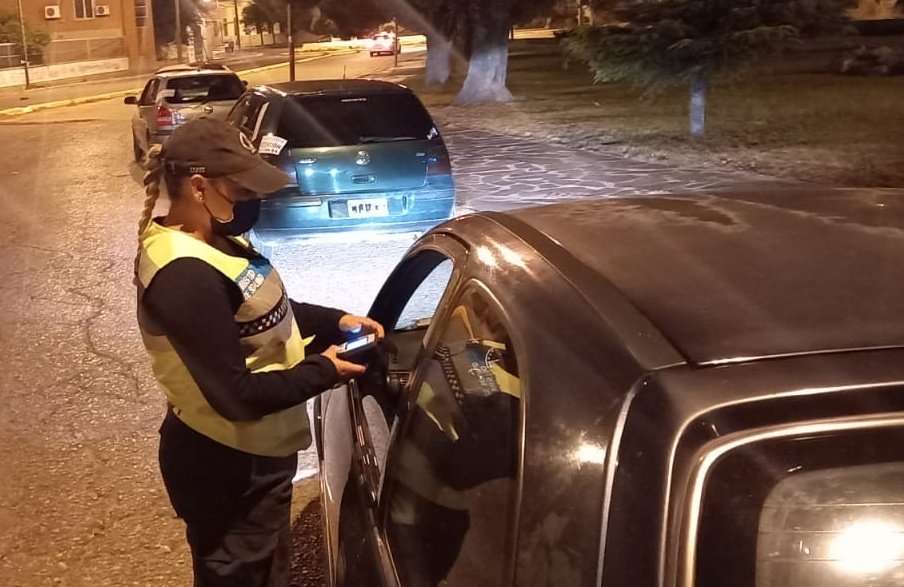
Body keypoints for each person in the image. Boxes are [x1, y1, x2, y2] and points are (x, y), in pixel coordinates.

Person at [133, 117, 384, 586]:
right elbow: (236, 395)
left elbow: (260, 308)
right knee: (240, 574)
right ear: (199, 185)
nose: (252, 200)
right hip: (226, 464)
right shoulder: (184, 274)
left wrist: (333, 320)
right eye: (242, 189)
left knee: (265, 568)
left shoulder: (212, 237)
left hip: (254, 455)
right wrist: (323, 371)